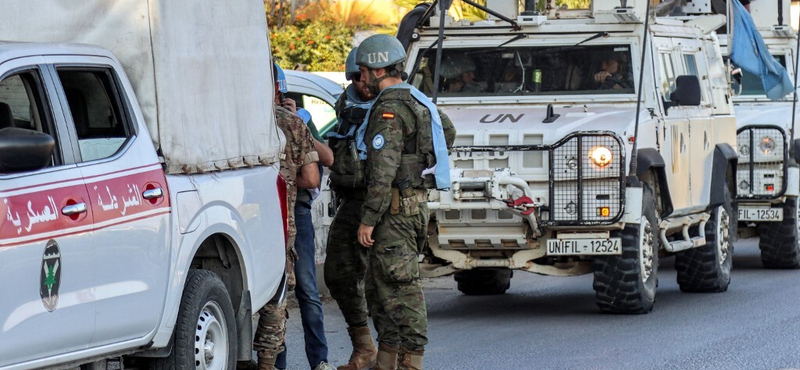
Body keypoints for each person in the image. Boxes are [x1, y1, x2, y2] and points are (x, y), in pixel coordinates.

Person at [354, 34, 455, 370]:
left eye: (363, 71)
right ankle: (387, 363)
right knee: (381, 289)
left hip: (393, 213)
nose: (361, 79)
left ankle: (410, 364)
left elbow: (383, 171)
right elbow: (448, 131)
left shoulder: (390, 108)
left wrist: (368, 218)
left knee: (401, 292)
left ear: (378, 69)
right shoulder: (418, 100)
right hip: (410, 206)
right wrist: (418, 163)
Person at [254, 62, 324, 370]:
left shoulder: (232, 121)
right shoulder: (291, 122)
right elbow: (312, 178)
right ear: (277, 87)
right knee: (281, 296)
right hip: (282, 223)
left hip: (239, 221)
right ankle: (278, 364)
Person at [271, 65, 335, 370]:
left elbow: (328, 156)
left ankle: (298, 361)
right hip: (293, 209)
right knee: (300, 290)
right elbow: (311, 178)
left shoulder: (298, 120)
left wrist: (302, 124)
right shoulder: (289, 122)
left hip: (277, 211)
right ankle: (312, 361)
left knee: (282, 291)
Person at [323, 47, 379, 370]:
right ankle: (364, 346)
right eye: (355, 77)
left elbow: (443, 133)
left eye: (365, 75)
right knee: (337, 272)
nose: (361, 82)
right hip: (351, 201)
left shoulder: (396, 102)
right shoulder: (346, 104)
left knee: (383, 281)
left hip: (381, 201)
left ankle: (392, 353)